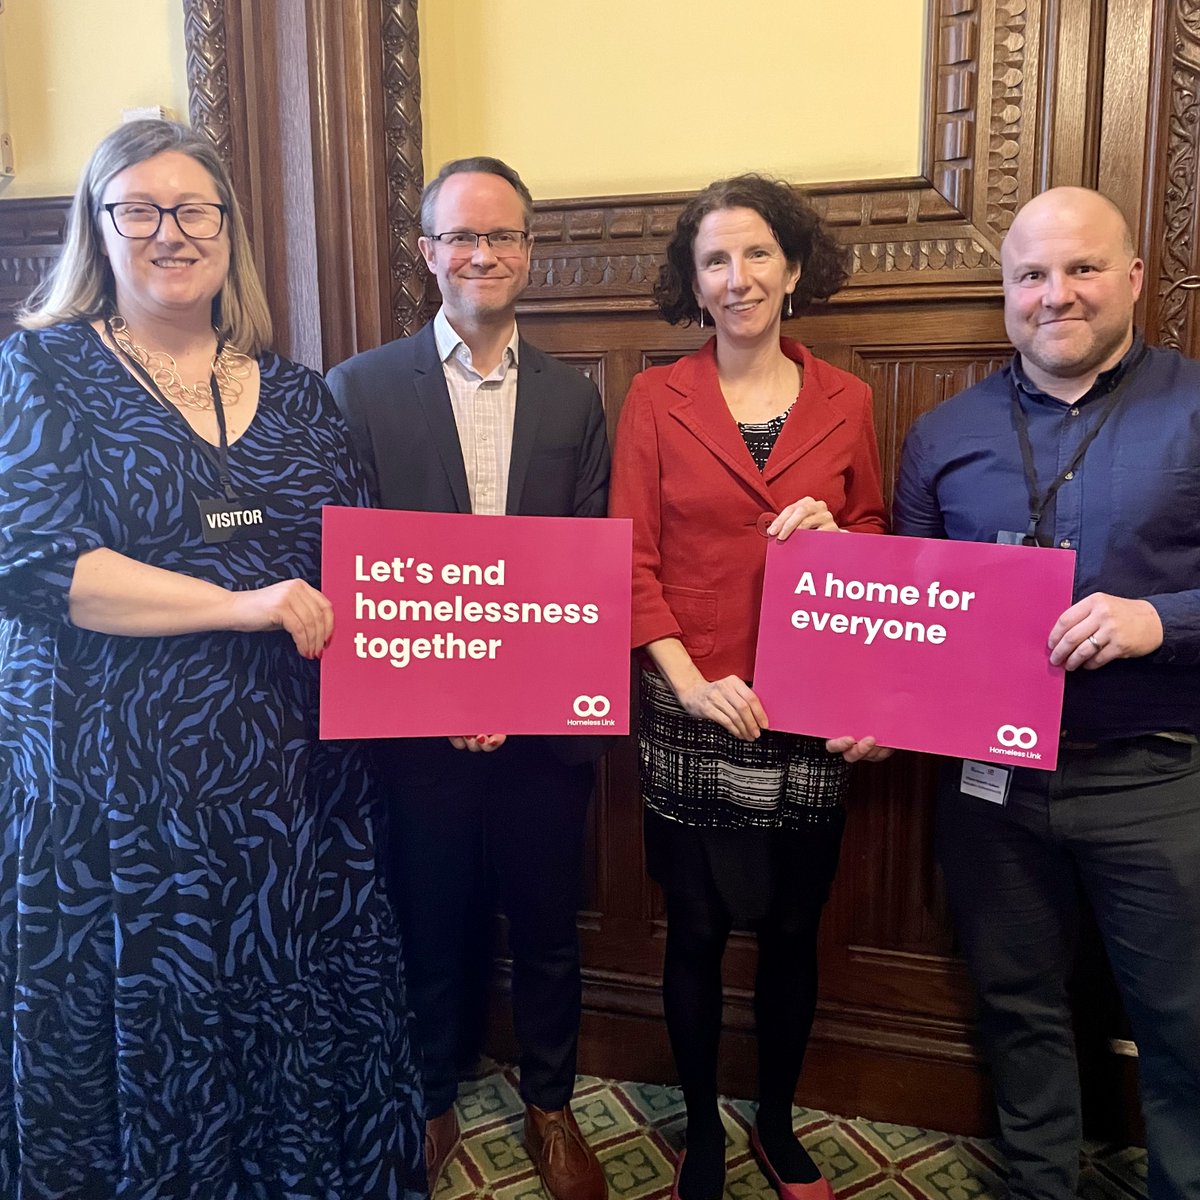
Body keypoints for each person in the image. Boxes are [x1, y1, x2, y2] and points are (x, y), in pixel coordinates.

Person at [0, 120, 425, 1199]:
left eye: (194, 210)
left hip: (294, 792)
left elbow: (364, 572)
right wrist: (241, 604)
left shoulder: (296, 392)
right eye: (137, 209)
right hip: (122, 801)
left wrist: (460, 677)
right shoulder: (40, 370)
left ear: (229, 231)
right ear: (97, 229)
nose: (169, 233)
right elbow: (47, 568)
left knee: (293, 1001)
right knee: (166, 1014)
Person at [893, 186, 1200, 1200]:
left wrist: (1164, 620)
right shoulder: (944, 434)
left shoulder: (1194, 406)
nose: (1055, 295)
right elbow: (907, 614)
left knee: (1181, 1019)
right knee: (1017, 1004)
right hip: (993, 791)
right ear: (1006, 290)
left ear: (1133, 280)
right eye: (1031, 275)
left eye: (1081, 270)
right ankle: (1037, 1185)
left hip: (1153, 773)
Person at [326, 157, 610, 1200]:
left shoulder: (578, 399)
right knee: (426, 916)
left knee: (546, 924)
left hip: (543, 730)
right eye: (460, 237)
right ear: (427, 253)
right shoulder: (356, 389)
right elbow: (351, 567)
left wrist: (510, 693)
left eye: (503, 236)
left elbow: (585, 564)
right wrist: (449, 695)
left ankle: (550, 1104)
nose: (482, 254)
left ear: (529, 252)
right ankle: (432, 1098)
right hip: (415, 731)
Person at [608, 175, 888, 1200]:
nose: (738, 277)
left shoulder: (847, 399)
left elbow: (874, 542)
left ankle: (774, 1121)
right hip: (691, 703)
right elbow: (629, 558)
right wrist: (685, 682)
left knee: (792, 929)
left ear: (795, 267)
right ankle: (702, 1134)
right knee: (695, 927)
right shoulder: (654, 396)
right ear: (694, 281)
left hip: (806, 709)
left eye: (757, 254)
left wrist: (839, 533)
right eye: (716, 260)